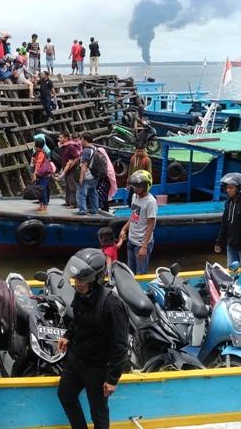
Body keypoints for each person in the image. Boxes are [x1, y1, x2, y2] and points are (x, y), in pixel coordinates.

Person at [56, 248, 129, 429]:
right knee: (65, 395)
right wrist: (68, 335)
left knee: (98, 412)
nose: (77, 283)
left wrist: (113, 379)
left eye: (82, 280)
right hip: (76, 359)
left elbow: (120, 345)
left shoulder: (111, 305)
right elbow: (78, 318)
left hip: (97, 368)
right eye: (76, 279)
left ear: (95, 279)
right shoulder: (80, 294)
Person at [117, 170, 157, 274]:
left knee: (141, 273)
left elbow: (150, 226)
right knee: (130, 271)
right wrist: (124, 229)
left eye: (137, 187)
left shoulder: (150, 202)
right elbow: (134, 216)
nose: (135, 189)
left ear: (146, 186)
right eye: (134, 187)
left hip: (141, 243)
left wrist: (144, 247)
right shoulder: (135, 196)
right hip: (131, 240)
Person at [214, 172, 241, 267]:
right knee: (231, 271)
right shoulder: (229, 203)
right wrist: (219, 241)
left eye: (231, 188)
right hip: (231, 245)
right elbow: (224, 224)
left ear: (239, 189)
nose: (228, 190)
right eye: (227, 187)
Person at [76, 132, 100, 215]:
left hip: (87, 175)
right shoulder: (95, 148)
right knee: (93, 192)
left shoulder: (86, 150)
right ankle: (94, 209)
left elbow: (84, 164)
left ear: (85, 140)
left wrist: (81, 177)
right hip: (95, 175)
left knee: (81, 193)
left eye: (81, 139)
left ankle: (82, 210)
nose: (80, 141)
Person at [56, 131, 82, 208]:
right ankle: (68, 202)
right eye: (59, 137)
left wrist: (70, 166)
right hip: (66, 169)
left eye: (61, 137)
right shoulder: (63, 146)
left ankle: (74, 204)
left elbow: (77, 157)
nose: (59, 139)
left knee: (72, 187)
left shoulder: (70, 147)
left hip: (72, 170)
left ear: (66, 138)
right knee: (67, 187)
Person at [32, 138, 52, 213]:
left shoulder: (41, 153)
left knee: (43, 191)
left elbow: (38, 164)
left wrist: (34, 173)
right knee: (39, 191)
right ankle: (41, 206)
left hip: (43, 175)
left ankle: (45, 208)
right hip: (41, 175)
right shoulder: (39, 152)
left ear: (36, 145)